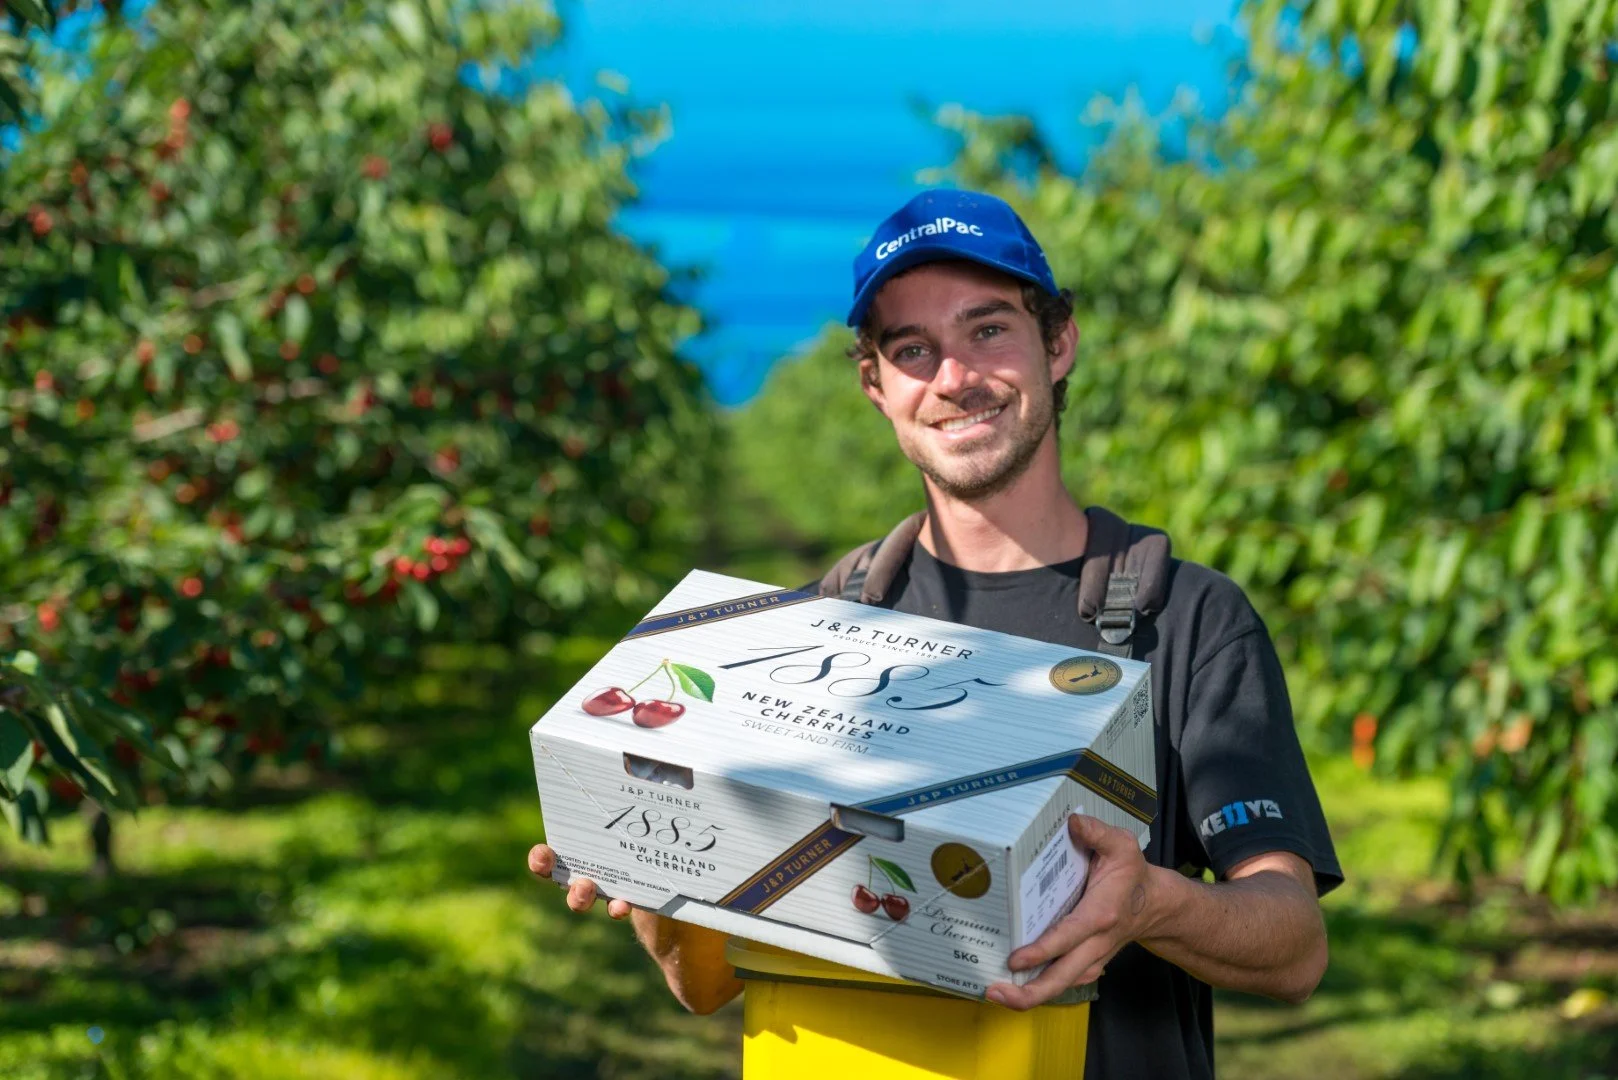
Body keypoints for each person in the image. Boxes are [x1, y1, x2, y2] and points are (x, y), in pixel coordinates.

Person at [528, 188, 1342, 1078]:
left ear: (1058, 344)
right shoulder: (825, 633)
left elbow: (1294, 945)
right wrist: (655, 861)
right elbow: (706, 988)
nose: (953, 377)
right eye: (912, 350)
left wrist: (1148, 903)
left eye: (987, 330)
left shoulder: (1183, 621)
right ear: (876, 386)